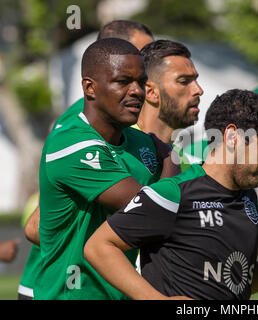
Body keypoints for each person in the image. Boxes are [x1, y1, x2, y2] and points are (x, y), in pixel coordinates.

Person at [84, 89, 258, 300]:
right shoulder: (174, 193)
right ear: (233, 136)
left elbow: (235, 285)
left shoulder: (248, 198)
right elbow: (99, 246)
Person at [19, 20, 157, 300]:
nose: (138, 90)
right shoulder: (72, 138)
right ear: (89, 87)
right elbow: (153, 208)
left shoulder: (144, 142)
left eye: (141, 80)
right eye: (123, 80)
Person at [137, 39, 204, 171]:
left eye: (195, 80)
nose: (199, 90)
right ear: (151, 92)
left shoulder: (183, 164)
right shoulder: (121, 145)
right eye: (184, 81)